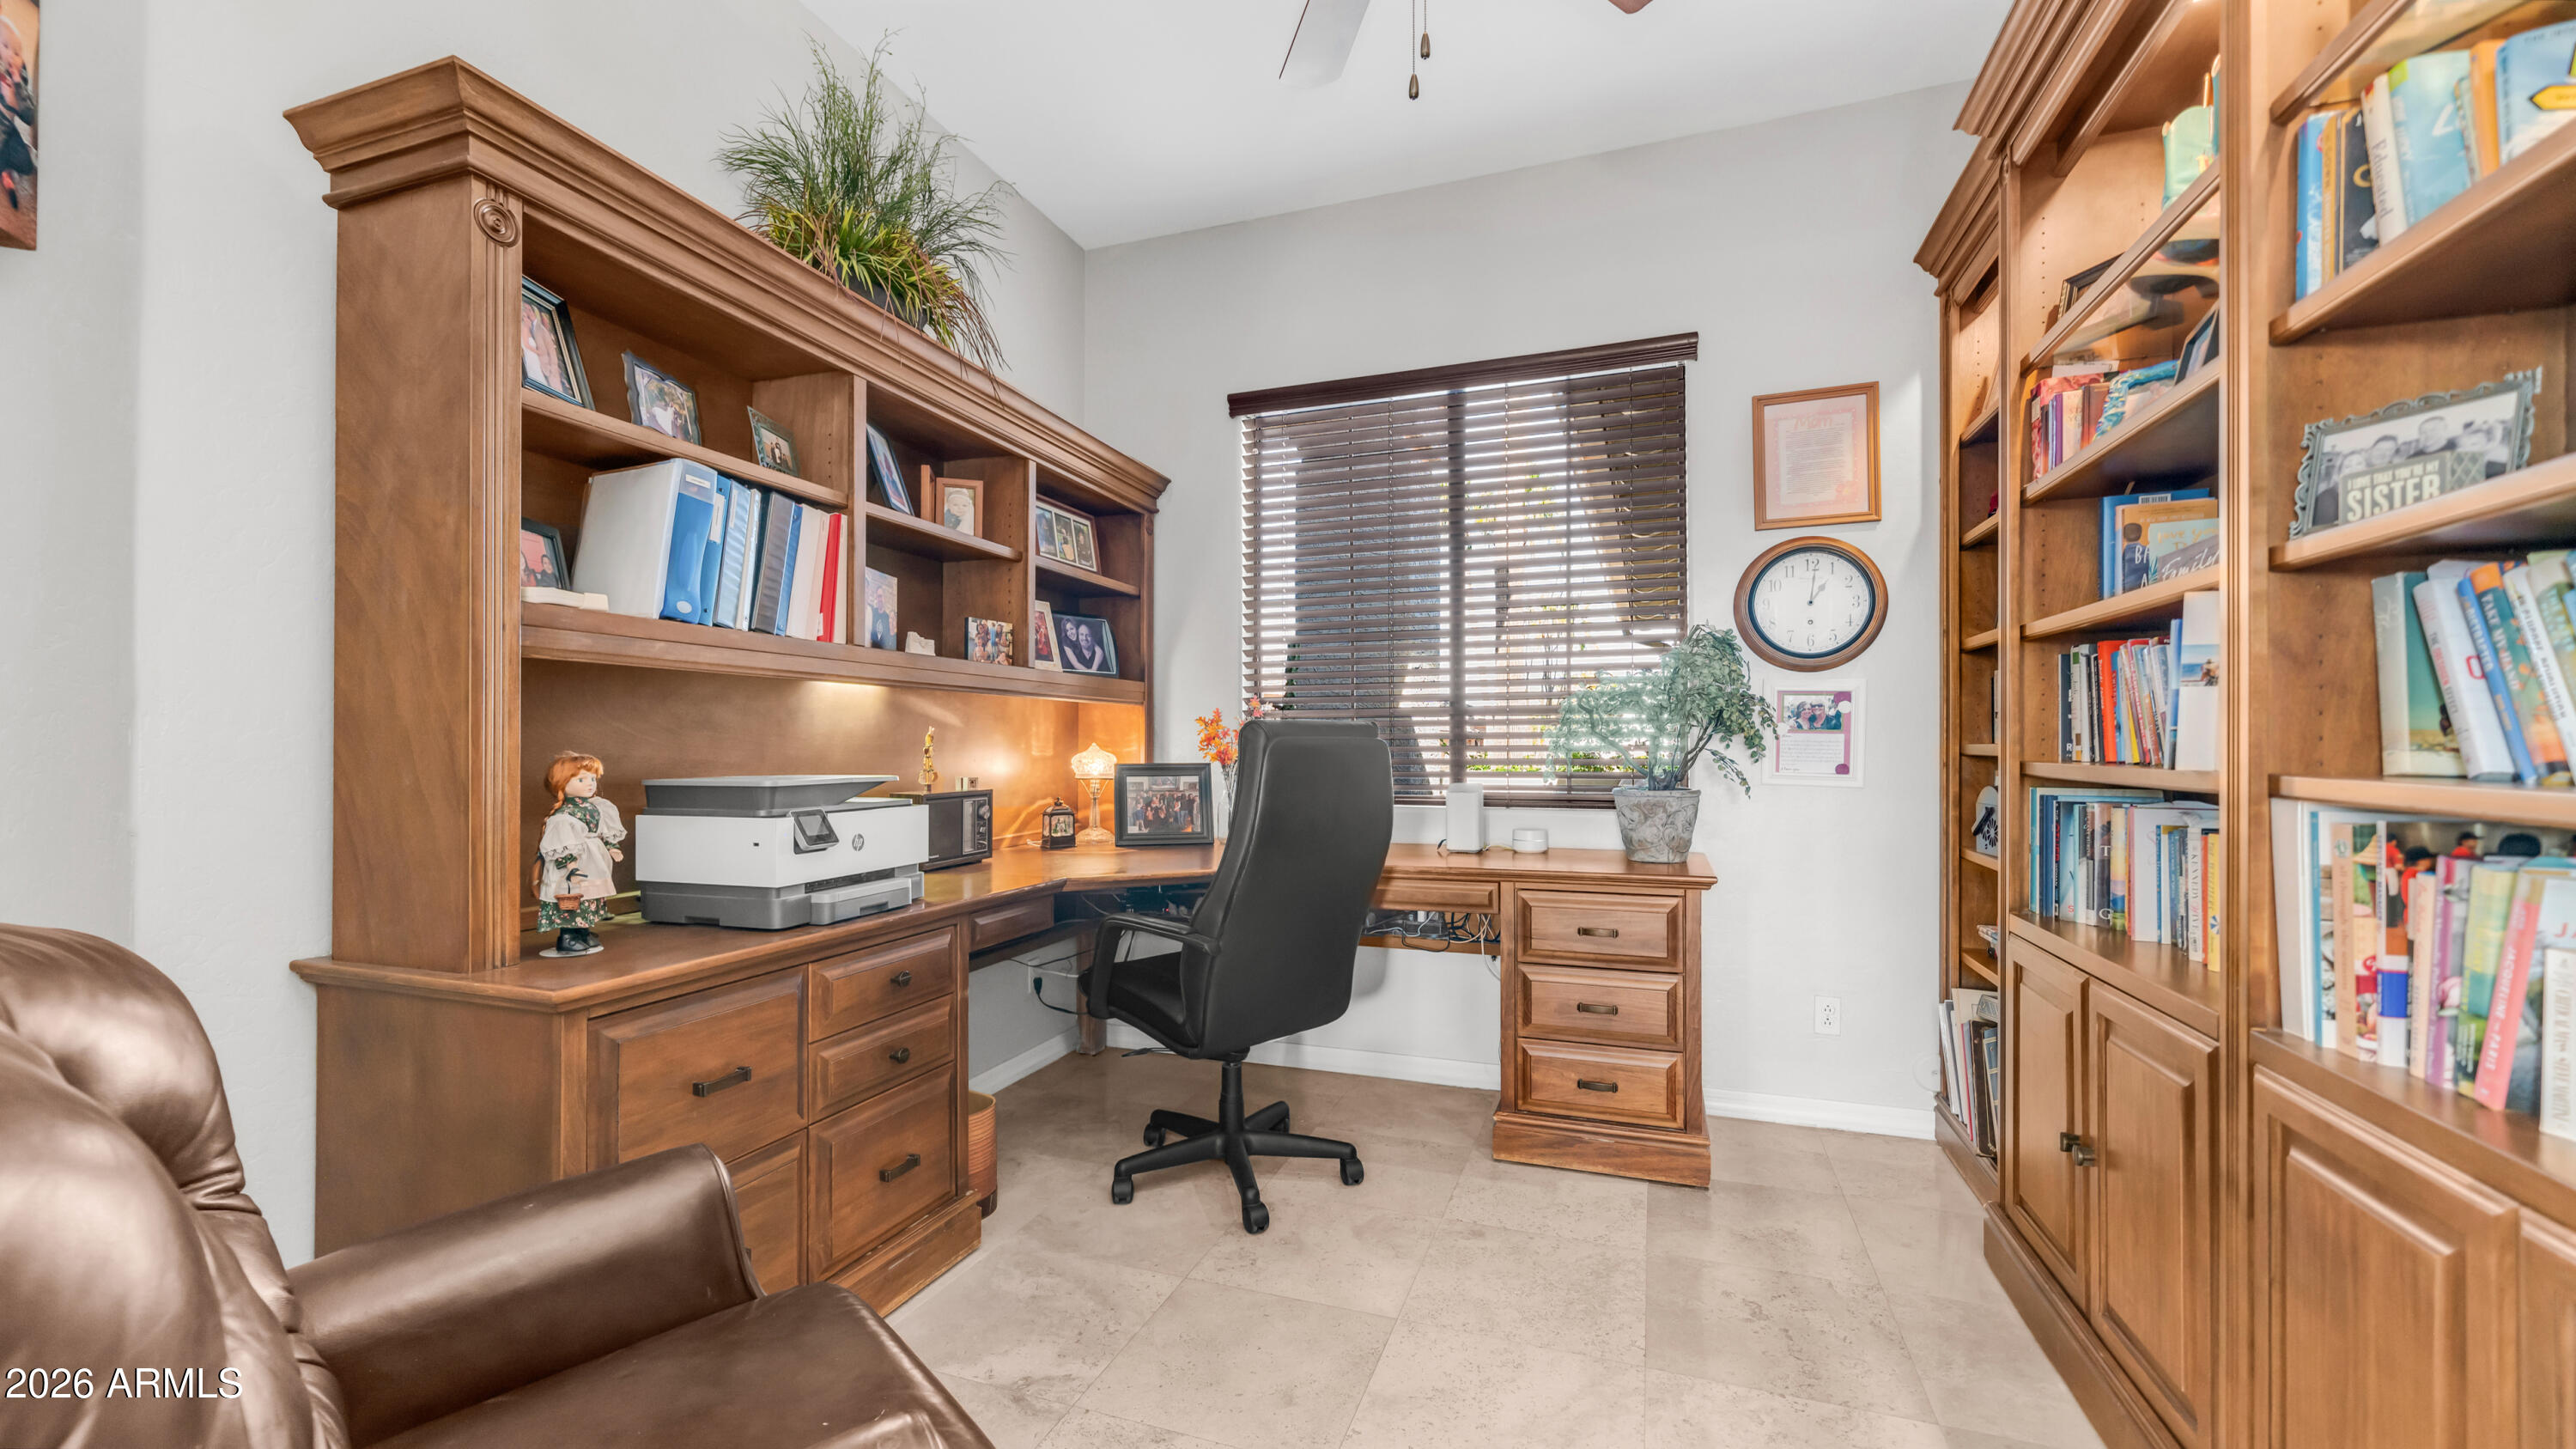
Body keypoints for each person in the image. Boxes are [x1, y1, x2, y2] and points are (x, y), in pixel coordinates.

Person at [534, 751, 625, 956]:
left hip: (593, 861)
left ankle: (583, 932)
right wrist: (571, 865)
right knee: (571, 897)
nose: (590, 783)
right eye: (582, 779)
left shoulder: (596, 807)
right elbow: (561, 843)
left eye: (593, 778)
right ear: (562, 783)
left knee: (588, 896)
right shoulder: (563, 816)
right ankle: (568, 936)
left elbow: (603, 829)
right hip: (575, 862)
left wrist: (612, 846)